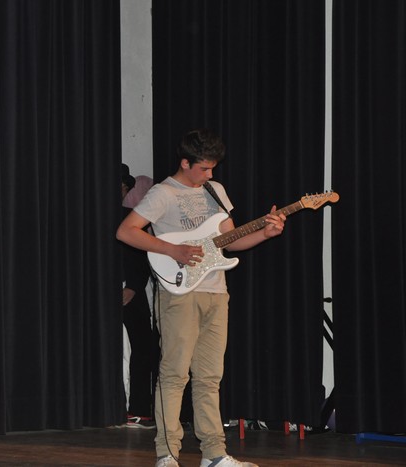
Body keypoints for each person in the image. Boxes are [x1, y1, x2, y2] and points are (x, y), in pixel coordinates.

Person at [116, 129, 286, 467]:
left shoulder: (216, 191)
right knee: (174, 373)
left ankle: (215, 454)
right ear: (185, 162)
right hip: (178, 293)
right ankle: (167, 452)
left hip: (216, 292)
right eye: (204, 168)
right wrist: (171, 248)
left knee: (210, 377)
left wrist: (265, 233)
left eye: (213, 169)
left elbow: (230, 241)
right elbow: (126, 231)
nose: (211, 175)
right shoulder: (162, 193)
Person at [120, 166, 159, 429]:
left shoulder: (131, 218)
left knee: (143, 346)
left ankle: (139, 409)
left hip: (129, 290)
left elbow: (143, 255)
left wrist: (133, 286)